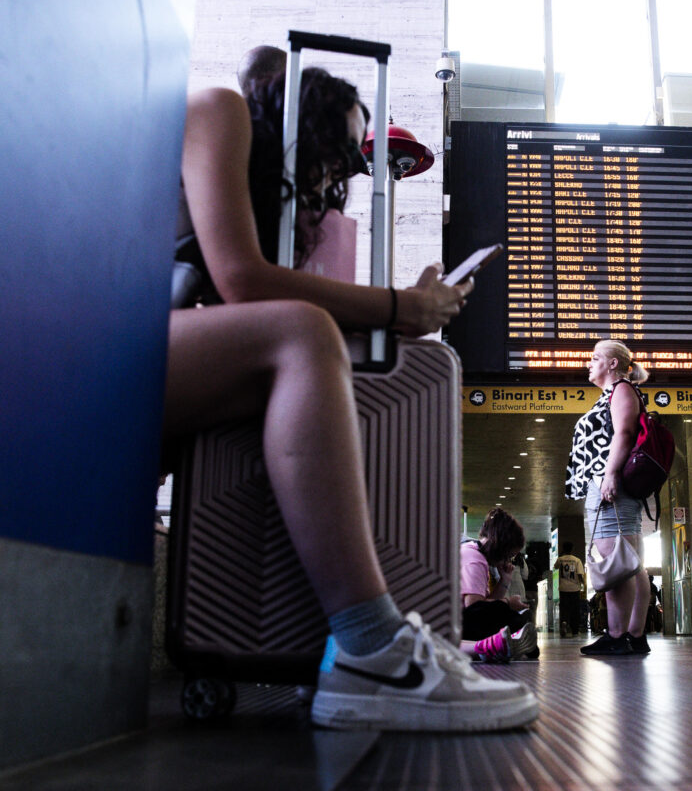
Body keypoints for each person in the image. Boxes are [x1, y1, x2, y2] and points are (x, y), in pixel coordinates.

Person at [167, 71, 536, 731]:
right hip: (97, 338)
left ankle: (363, 644)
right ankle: (372, 647)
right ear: (300, 118)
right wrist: (401, 307)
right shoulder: (218, 108)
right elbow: (243, 279)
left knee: (312, 344)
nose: (339, 170)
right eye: (336, 149)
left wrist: (399, 312)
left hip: (152, 349)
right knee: (304, 335)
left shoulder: (272, 188)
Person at [565, 339, 653, 656]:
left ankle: (618, 636)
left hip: (611, 483)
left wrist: (610, 474)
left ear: (613, 363)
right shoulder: (614, 393)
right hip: (609, 483)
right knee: (630, 563)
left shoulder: (621, 390)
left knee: (615, 560)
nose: (589, 363)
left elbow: (625, 433)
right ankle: (634, 635)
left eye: (595, 358)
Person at [460, 508, 537, 662]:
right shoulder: (474, 558)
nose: (508, 560)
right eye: (509, 555)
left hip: (462, 620)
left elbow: (484, 603)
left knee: (500, 610)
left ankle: (513, 637)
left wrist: (505, 579)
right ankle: (514, 636)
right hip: (459, 622)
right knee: (502, 610)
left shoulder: (477, 555)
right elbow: (474, 606)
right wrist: (508, 603)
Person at [553, 542, 586, 637]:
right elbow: (580, 574)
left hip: (563, 588)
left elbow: (555, 567)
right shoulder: (577, 560)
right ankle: (575, 631)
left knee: (564, 608)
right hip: (575, 588)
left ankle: (564, 622)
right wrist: (583, 583)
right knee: (574, 609)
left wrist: (561, 555)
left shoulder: (560, 560)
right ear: (572, 549)